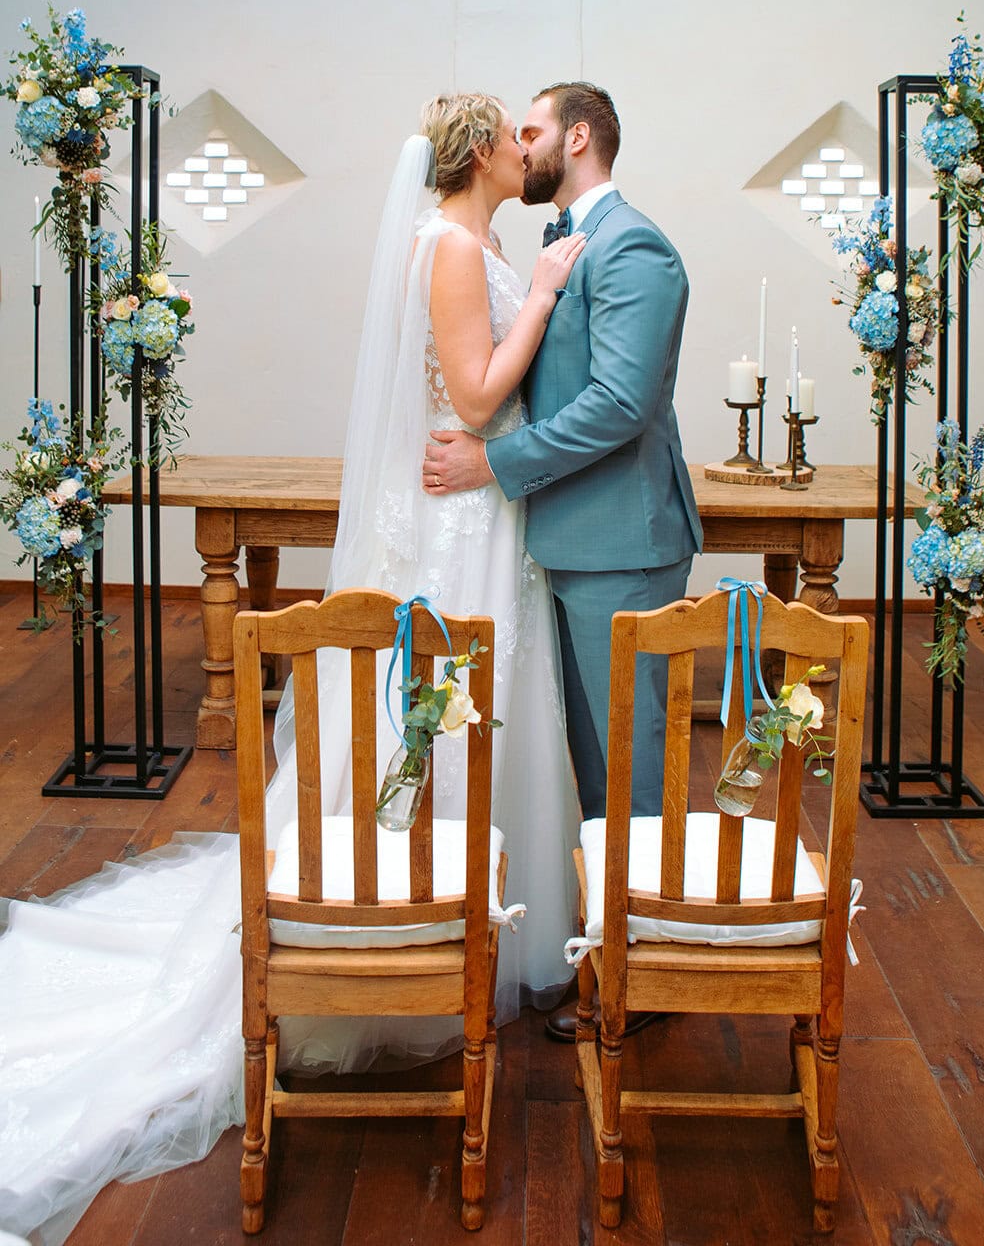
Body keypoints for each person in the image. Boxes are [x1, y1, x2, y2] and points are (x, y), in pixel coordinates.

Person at [0, 95, 583, 1245]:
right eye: (516, 139)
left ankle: (470, 925)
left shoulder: (481, 240)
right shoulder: (458, 247)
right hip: (453, 527)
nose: (532, 152)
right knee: (446, 707)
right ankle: (392, 936)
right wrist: (553, 296)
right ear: (476, 154)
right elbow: (470, 396)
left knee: (486, 711)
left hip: (479, 510)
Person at [424, 82, 703, 826]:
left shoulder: (631, 243)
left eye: (532, 130)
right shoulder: (558, 241)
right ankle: (599, 921)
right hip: (560, 534)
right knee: (588, 763)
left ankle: (640, 931)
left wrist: (493, 462)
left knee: (628, 766)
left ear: (576, 139)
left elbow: (621, 403)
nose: (520, 146)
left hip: (618, 544)